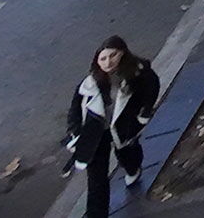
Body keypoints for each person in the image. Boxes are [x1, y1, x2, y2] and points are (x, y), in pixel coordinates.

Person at [63, 36, 160, 218]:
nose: (108, 62)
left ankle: (133, 169)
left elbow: (152, 89)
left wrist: (142, 117)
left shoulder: (139, 74)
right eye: (103, 58)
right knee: (96, 180)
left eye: (112, 55)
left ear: (122, 53)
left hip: (124, 127)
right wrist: (75, 131)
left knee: (127, 154)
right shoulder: (90, 83)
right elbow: (75, 109)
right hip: (95, 132)